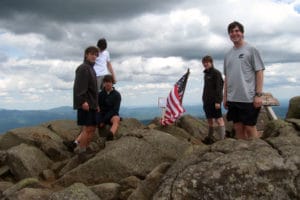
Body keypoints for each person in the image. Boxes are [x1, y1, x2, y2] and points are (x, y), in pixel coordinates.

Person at [223, 21, 265, 140]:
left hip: (248, 98)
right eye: (231, 32)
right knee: (238, 128)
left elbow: (259, 72)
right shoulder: (228, 55)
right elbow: (227, 77)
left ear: (242, 33)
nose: (234, 34)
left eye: (237, 31)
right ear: (229, 35)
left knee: (250, 128)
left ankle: (257, 153)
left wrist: (258, 95)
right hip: (233, 98)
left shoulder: (251, 50)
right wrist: (225, 96)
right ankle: (243, 153)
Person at [64, 46, 99, 153]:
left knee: (92, 128)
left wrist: (96, 104)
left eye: (95, 55)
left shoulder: (91, 69)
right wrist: (83, 101)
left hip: (92, 104)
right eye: (92, 54)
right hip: (86, 104)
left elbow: (93, 90)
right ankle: (82, 152)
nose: (94, 56)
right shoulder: (83, 68)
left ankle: (85, 148)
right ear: (86, 55)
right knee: (88, 129)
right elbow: (78, 87)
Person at [201, 55, 226, 143]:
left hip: (215, 101)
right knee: (209, 120)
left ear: (211, 62)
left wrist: (218, 101)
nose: (205, 64)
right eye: (204, 63)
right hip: (206, 101)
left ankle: (222, 140)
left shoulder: (216, 73)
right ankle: (210, 138)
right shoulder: (206, 74)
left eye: (207, 62)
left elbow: (219, 88)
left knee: (219, 119)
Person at [97, 74, 121, 140]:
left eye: (109, 82)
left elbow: (115, 110)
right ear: (104, 83)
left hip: (111, 115)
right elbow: (99, 109)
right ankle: (77, 141)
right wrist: (100, 120)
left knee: (116, 119)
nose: (108, 84)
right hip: (102, 115)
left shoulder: (117, 94)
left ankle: (110, 135)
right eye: (106, 82)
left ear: (112, 83)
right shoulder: (100, 94)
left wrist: (103, 121)